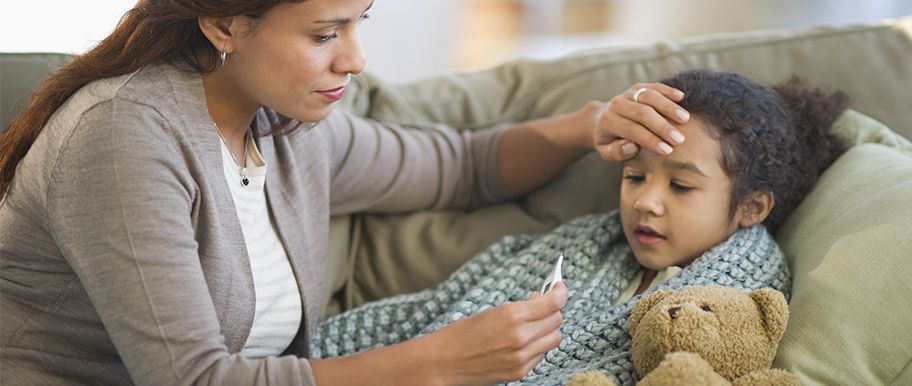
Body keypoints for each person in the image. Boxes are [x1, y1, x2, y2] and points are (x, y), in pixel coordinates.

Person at [0, 1, 693, 385]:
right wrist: (437, 362)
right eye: (325, 33)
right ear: (224, 25)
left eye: (361, 21)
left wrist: (587, 125)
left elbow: (462, 166)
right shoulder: (125, 137)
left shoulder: (287, 126)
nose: (355, 59)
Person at [307, 69, 850, 385]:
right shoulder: (580, 244)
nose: (647, 203)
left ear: (751, 208)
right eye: (635, 176)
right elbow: (437, 310)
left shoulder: (738, 298)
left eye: (680, 187)